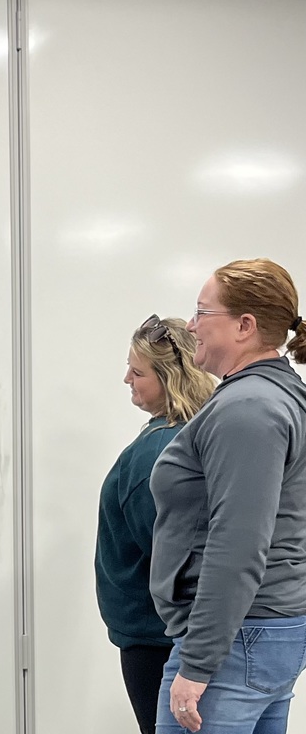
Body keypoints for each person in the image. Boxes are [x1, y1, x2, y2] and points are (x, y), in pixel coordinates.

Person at [150, 258, 306, 734]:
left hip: (236, 640)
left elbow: (238, 544)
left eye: (202, 312)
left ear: (245, 326)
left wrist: (197, 664)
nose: (190, 326)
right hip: (260, 631)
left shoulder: (249, 408)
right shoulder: (277, 394)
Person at [95, 315, 215, 734]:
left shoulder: (158, 453)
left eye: (138, 372)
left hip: (159, 639)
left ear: (169, 378)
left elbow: (172, 556)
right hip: (168, 633)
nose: (126, 378)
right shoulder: (195, 433)